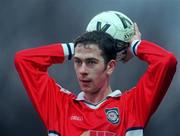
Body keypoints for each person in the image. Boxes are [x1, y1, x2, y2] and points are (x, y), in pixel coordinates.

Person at [14, 23, 177, 136]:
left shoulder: (133, 106)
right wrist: (76, 47)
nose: (82, 71)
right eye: (78, 62)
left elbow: (166, 61)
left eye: (91, 62)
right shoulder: (59, 107)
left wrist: (135, 46)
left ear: (110, 66)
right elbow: (24, 60)